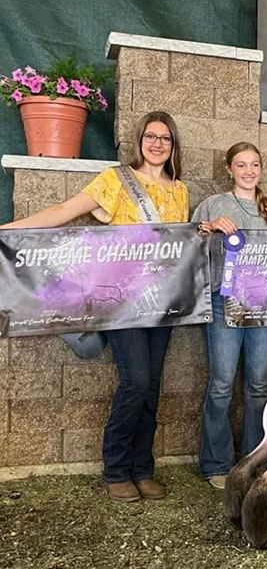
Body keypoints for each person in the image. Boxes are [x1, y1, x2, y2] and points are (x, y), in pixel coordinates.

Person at [3, 111, 189, 502]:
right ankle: (116, 468)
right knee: (135, 381)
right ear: (139, 141)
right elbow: (64, 212)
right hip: (122, 300)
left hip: (162, 301)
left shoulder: (181, 191)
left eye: (165, 139)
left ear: (173, 146)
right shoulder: (115, 181)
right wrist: (6, 231)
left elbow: (177, 248)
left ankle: (143, 468)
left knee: (152, 385)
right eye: (151, 137)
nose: (157, 144)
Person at [192, 142, 267, 489]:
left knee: (257, 386)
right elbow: (187, 246)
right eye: (241, 165)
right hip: (225, 302)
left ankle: (254, 461)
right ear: (229, 168)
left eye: (254, 164)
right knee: (222, 384)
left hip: (265, 305)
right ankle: (216, 463)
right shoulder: (213, 205)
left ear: (261, 169)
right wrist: (207, 227)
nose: (249, 171)